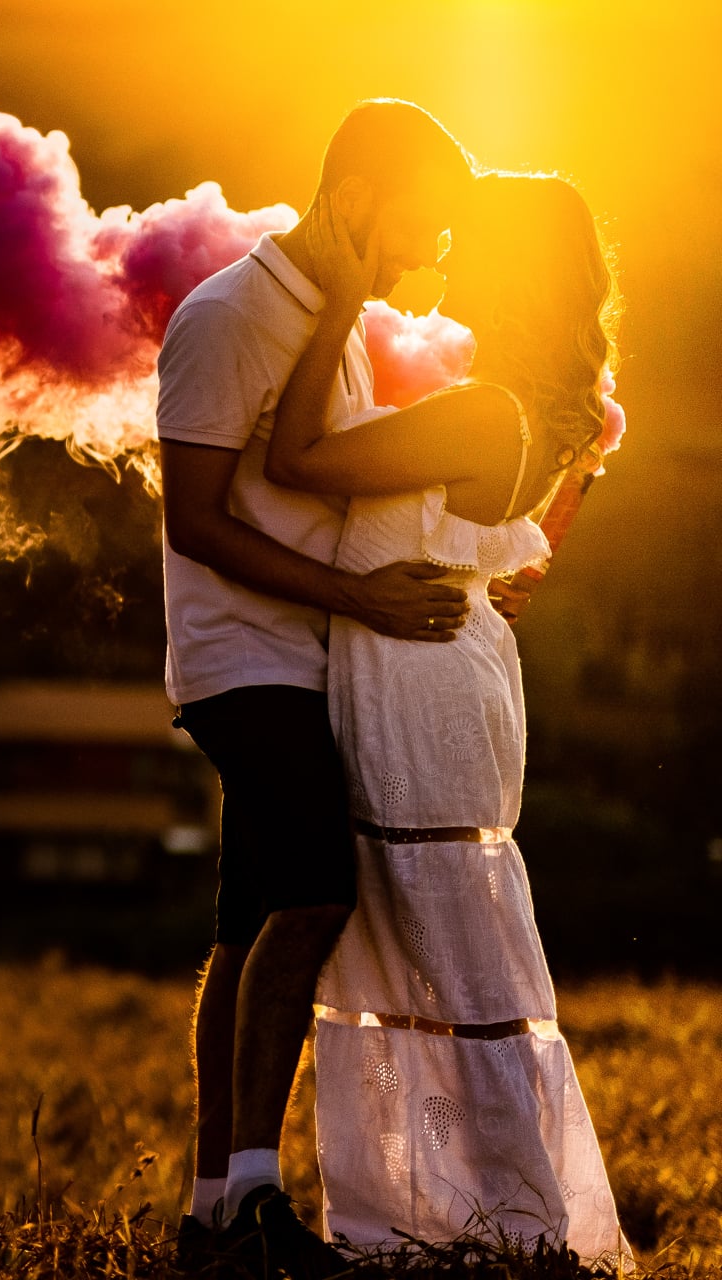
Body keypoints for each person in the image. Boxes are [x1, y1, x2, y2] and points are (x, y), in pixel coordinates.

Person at [263, 171, 627, 1262]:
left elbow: (294, 460)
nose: (449, 250)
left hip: (418, 684)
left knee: (441, 941)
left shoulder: (481, 412)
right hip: (439, 664)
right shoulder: (524, 403)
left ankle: (507, 1221)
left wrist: (334, 299)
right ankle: (454, 1213)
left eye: (473, 240)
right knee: (433, 937)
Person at [156, 99, 476, 1279]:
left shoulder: (327, 322)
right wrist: (369, 604)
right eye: (419, 221)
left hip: (302, 652)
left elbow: (327, 489)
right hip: (248, 657)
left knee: (248, 922)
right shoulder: (233, 315)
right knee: (314, 898)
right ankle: (253, 1198)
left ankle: (211, 1207)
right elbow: (195, 522)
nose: (428, 246)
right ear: (352, 197)